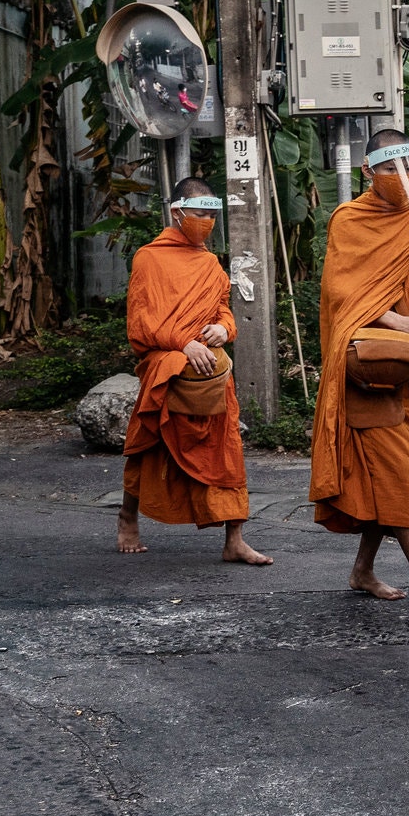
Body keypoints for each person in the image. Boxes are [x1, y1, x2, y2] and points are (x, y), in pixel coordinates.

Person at [310, 129, 409, 614]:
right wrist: (396, 319)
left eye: (408, 168)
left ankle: (363, 569)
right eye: (390, 168)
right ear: (369, 171)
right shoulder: (349, 219)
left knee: (385, 473)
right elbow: (341, 293)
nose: (401, 178)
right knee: (401, 471)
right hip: (367, 364)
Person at [116, 178, 271, 566]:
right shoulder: (149, 258)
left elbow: (222, 310)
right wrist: (183, 343)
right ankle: (128, 518)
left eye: (211, 215)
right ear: (177, 211)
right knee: (148, 442)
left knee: (227, 448)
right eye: (199, 213)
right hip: (166, 365)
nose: (206, 221)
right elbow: (140, 324)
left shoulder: (209, 263)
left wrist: (225, 329)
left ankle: (234, 538)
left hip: (210, 373)